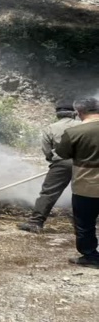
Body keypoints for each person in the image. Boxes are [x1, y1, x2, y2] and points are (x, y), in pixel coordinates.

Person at [17, 100, 81, 233]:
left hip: (61, 163)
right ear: (74, 114)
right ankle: (83, 225)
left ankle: (36, 223)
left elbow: (47, 150)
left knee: (49, 192)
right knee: (85, 193)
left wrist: (54, 161)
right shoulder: (83, 126)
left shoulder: (50, 128)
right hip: (84, 164)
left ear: (58, 115)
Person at [56, 97, 99, 267]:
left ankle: (90, 257)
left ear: (80, 113)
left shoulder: (74, 133)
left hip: (86, 186)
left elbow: (63, 154)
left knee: (85, 224)